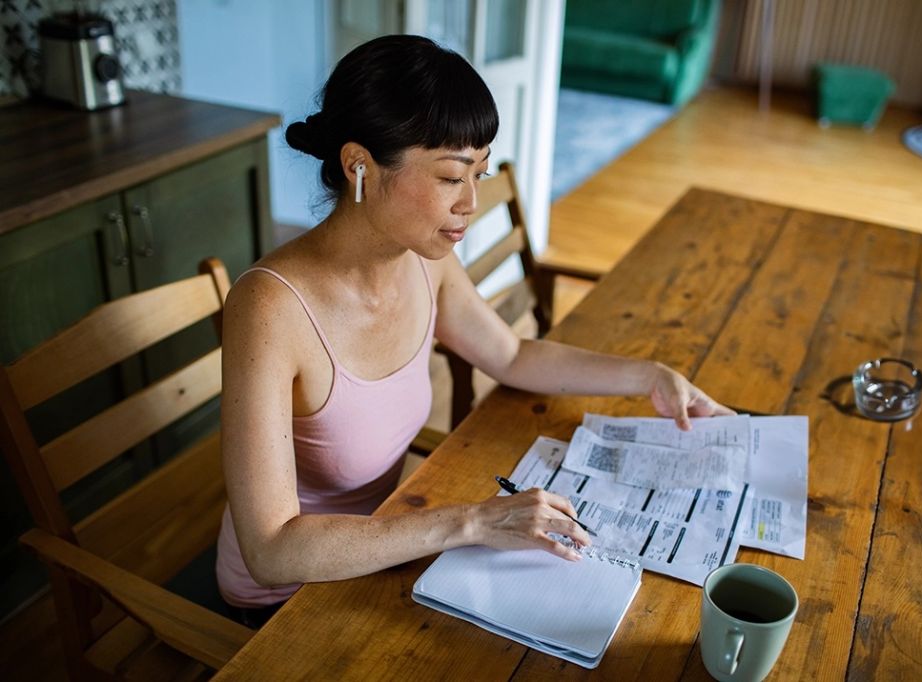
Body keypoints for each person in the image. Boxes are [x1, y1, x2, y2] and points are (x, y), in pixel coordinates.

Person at [215, 35, 734, 625]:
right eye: (450, 178)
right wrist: (473, 522)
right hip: (287, 601)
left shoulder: (423, 258)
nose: (471, 203)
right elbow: (271, 550)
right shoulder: (269, 307)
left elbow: (510, 355)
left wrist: (650, 377)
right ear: (359, 164)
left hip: (384, 547)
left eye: (480, 174)